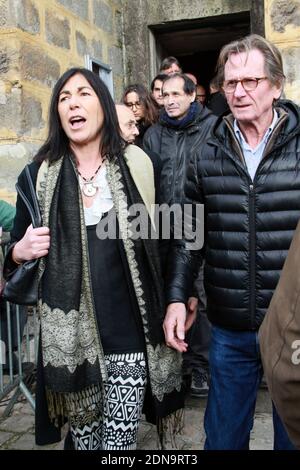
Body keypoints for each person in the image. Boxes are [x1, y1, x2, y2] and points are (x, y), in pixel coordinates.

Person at [4, 67, 184, 450]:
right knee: (85, 443)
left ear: (102, 105)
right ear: (57, 113)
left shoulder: (137, 164)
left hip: (131, 336)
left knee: (118, 445)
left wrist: (180, 298)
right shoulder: (37, 176)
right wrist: (19, 251)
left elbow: (172, 239)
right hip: (71, 348)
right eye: (64, 97)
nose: (73, 103)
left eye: (83, 93)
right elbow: (12, 256)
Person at [163, 34, 300, 450]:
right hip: (230, 329)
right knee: (222, 441)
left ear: (276, 86)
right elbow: (190, 233)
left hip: (295, 329)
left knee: (292, 440)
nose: (238, 92)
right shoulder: (207, 149)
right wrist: (176, 295)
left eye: (251, 81)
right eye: (230, 82)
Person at [143, 73, 215, 397]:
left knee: (198, 297)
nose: (169, 100)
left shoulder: (212, 128)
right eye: (165, 95)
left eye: (176, 94)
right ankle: (174, 367)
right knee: (168, 298)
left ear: (191, 96)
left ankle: (201, 366)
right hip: (162, 228)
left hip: (200, 227)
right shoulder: (154, 135)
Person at [122, 84, 159, 148]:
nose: (134, 109)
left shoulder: (157, 126)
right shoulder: (123, 128)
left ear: (146, 104)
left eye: (138, 104)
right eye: (129, 105)